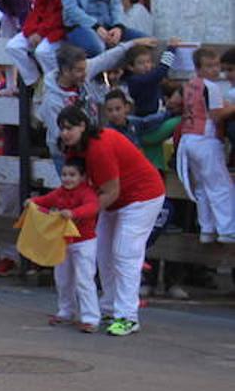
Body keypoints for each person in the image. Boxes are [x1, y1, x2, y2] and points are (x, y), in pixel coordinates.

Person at [56, 104, 165, 337]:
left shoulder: (99, 147)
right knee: (104, 253)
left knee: (125, 253)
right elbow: (78, 187)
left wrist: (81, 215)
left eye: (70, 128)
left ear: (83, 126)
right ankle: (109, 308)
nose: (65, 133)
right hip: (113, 200)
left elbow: (111, 190)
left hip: (141, 197)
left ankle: (127, 316)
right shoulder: (74, 149)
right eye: (62, 128)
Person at [27, 157, 100, 332]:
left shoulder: (87, 193)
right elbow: (44, 200)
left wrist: (73, 213)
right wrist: (32, 202)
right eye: (65, 175)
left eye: (72, 175)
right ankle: (66, 311)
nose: (67, 178)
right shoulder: (60, 192)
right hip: (64, 242)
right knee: (62, 278)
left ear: (82, 177)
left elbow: (92, 208)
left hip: (84, 242)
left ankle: (91, 318)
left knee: (84, 279)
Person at [176, 47, 235, 244]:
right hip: (206, 139)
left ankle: (207, 229)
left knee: (202, 186)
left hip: (189, 138)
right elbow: (216, 115)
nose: (215, 70)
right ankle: (227, 229)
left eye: (216, 65)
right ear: (198, 68)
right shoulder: (212, 87)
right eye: (209, 66)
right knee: (220, 185)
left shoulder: (190, 84)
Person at [5, 0, 67, 86]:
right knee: (13, 46)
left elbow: (60, 14)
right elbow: (37, 9)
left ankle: (57, 84)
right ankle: (35, 81)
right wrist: (31, 30)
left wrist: (40, 32)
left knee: (43, 52)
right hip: (39, 27)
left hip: (58, 29)